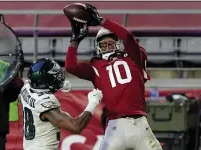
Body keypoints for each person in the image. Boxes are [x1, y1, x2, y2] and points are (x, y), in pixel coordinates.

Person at [65, 3, 162, 150]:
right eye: (103, 43)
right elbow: (70, 66)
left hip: (138, 123)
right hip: (115, 125)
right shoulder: (96, 66)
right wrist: (74, 41)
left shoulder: (135, 58)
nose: (107, 45)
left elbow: (128, 37)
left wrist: (101, 20)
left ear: (118, 43)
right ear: (97, 46)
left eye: (110, 41)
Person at [20, 58, 103, 150]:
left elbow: (35, 99)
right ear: (46, 80)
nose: (59, 78)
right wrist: (93, 103)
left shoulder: (26, 88)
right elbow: (76, 127)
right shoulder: (44, 102)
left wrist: (57, 87)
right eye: (55, 76)